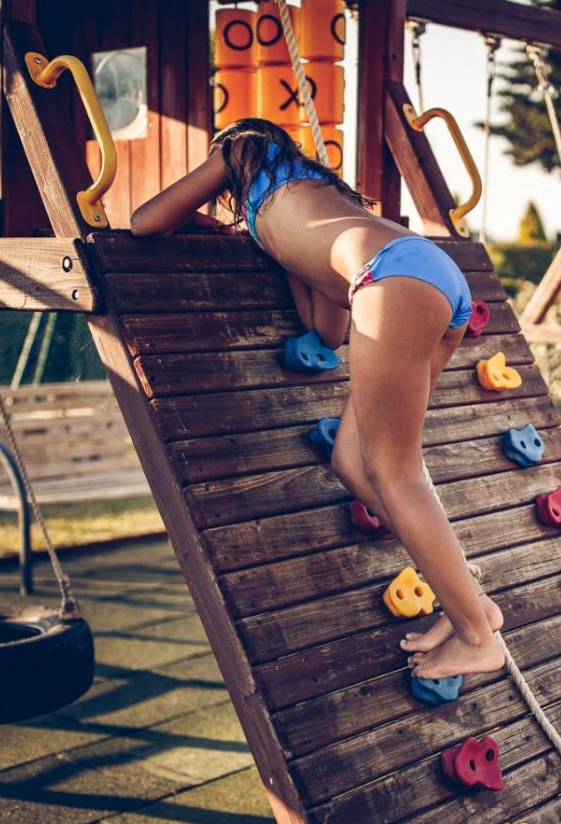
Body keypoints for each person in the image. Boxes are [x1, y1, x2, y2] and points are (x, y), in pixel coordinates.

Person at [130, 118, 502, 680]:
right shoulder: (309, 197)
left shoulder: (242, 152)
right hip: (427, 273)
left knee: (395, 473)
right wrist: (272, 250)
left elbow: (147, 221)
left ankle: (477, 640)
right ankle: (472, 606)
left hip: (393, 276)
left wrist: (206, 209)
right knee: (351, 461)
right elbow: (327, 331)